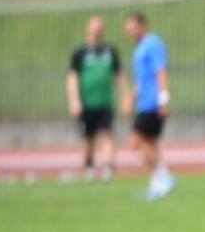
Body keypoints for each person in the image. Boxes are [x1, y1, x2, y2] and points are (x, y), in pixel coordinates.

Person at [123, 11, 175, 201]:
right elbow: (142, 80)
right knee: (150, 144)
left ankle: (165, 176)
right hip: (144, 101)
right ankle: (157, 183)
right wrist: (131, 97)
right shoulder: (140, 48)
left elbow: (161, 72)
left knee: (136, 141)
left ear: (143, 25)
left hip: (153, 103)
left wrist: (164, 99)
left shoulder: (153, 44)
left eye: (133, 28)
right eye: (128, 30)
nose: (130, 32)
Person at [67, 15, 124, 182]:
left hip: (105, 102)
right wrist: (74, 100)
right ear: (88, 29)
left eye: (100, 27)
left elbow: (118, 75)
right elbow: (72, 77)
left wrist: (124, 96)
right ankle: (90, 166)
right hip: (87, 103)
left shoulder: (110, 52)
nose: (97, 30)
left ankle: (108, 167)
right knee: (88, 137)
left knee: (107, 134)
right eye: (94, 27)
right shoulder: (80, 53)